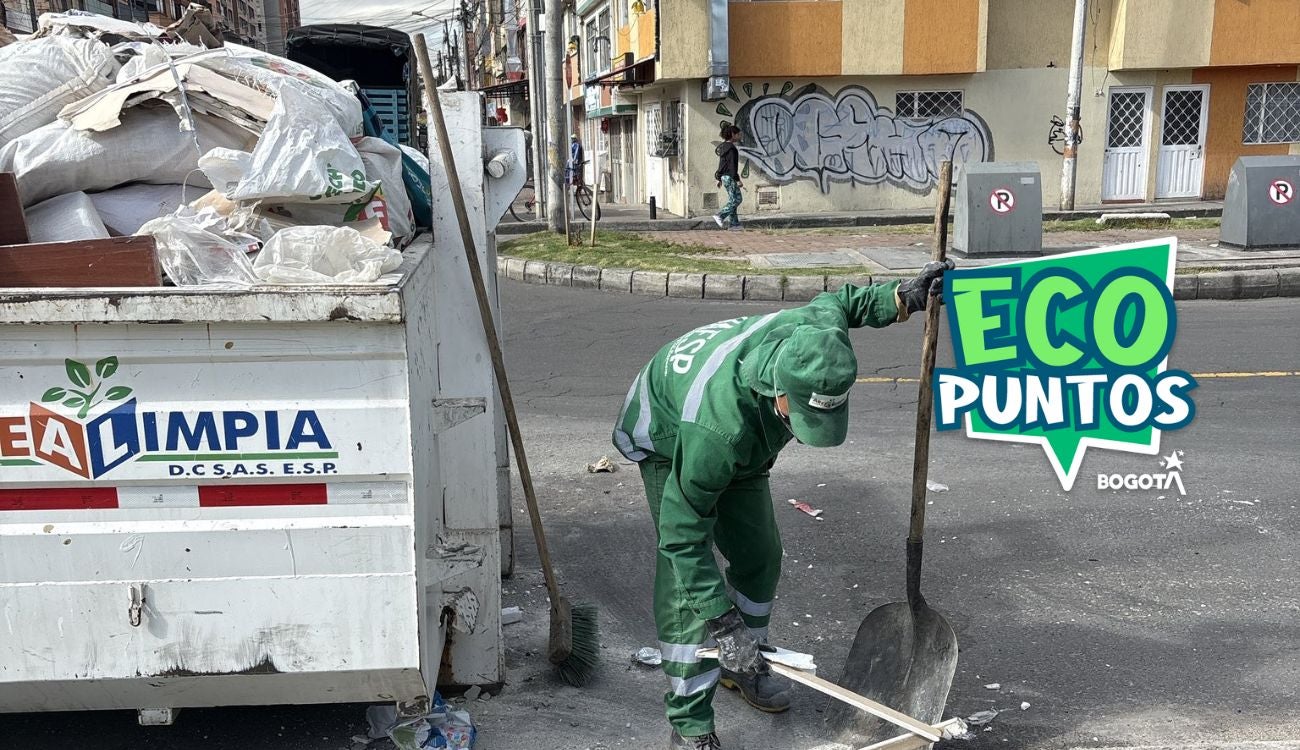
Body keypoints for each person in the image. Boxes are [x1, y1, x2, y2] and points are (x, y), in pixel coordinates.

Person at [612, 263, 954, 750]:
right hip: (668, 434)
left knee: (760, 555)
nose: (805, 430)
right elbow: (681, 536)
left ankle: (744, 664)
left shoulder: (816, 336)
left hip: (744, 439)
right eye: (803, 417)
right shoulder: (715, 432)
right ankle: (690, 725)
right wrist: (721, 619)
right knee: (688, 585)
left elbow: (841, 303)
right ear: (779, 395)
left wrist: (902, 297)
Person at [712, 125, 743, 230]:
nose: (740, 136)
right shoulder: (731, 149)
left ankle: (734, 224)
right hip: (730, 177)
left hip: (724, 177)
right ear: (733, 135)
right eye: (738, 134)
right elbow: (732, 166)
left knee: (732, 199)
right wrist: (737, 179)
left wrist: (719, 178)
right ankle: (720, 215)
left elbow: (722, 164)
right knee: (737, 199)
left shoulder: (723, 147)